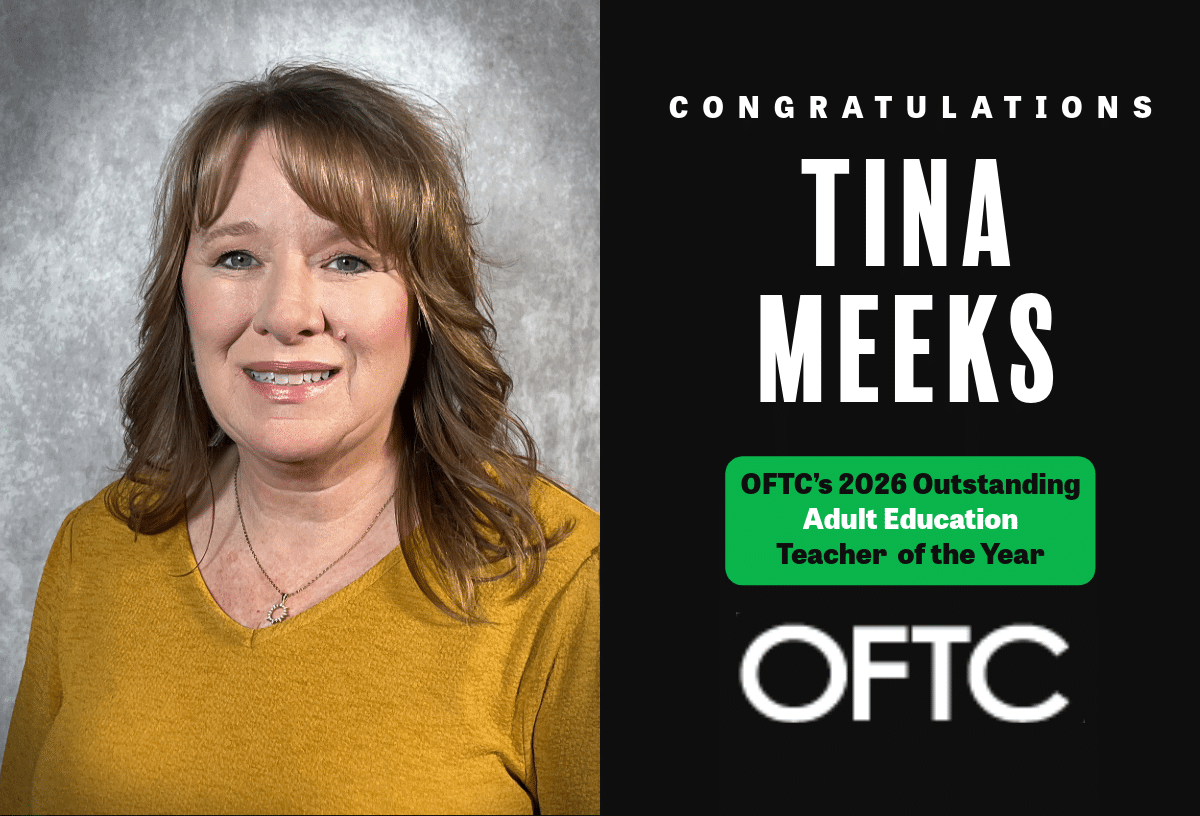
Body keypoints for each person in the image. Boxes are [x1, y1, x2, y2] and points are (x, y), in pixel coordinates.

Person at [0, 63, 599, 814]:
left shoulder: (562, 578)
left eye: (346, 260)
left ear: (424, 304)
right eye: (236, 257)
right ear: (181, 293)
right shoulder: (95, 549)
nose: (287, 313)